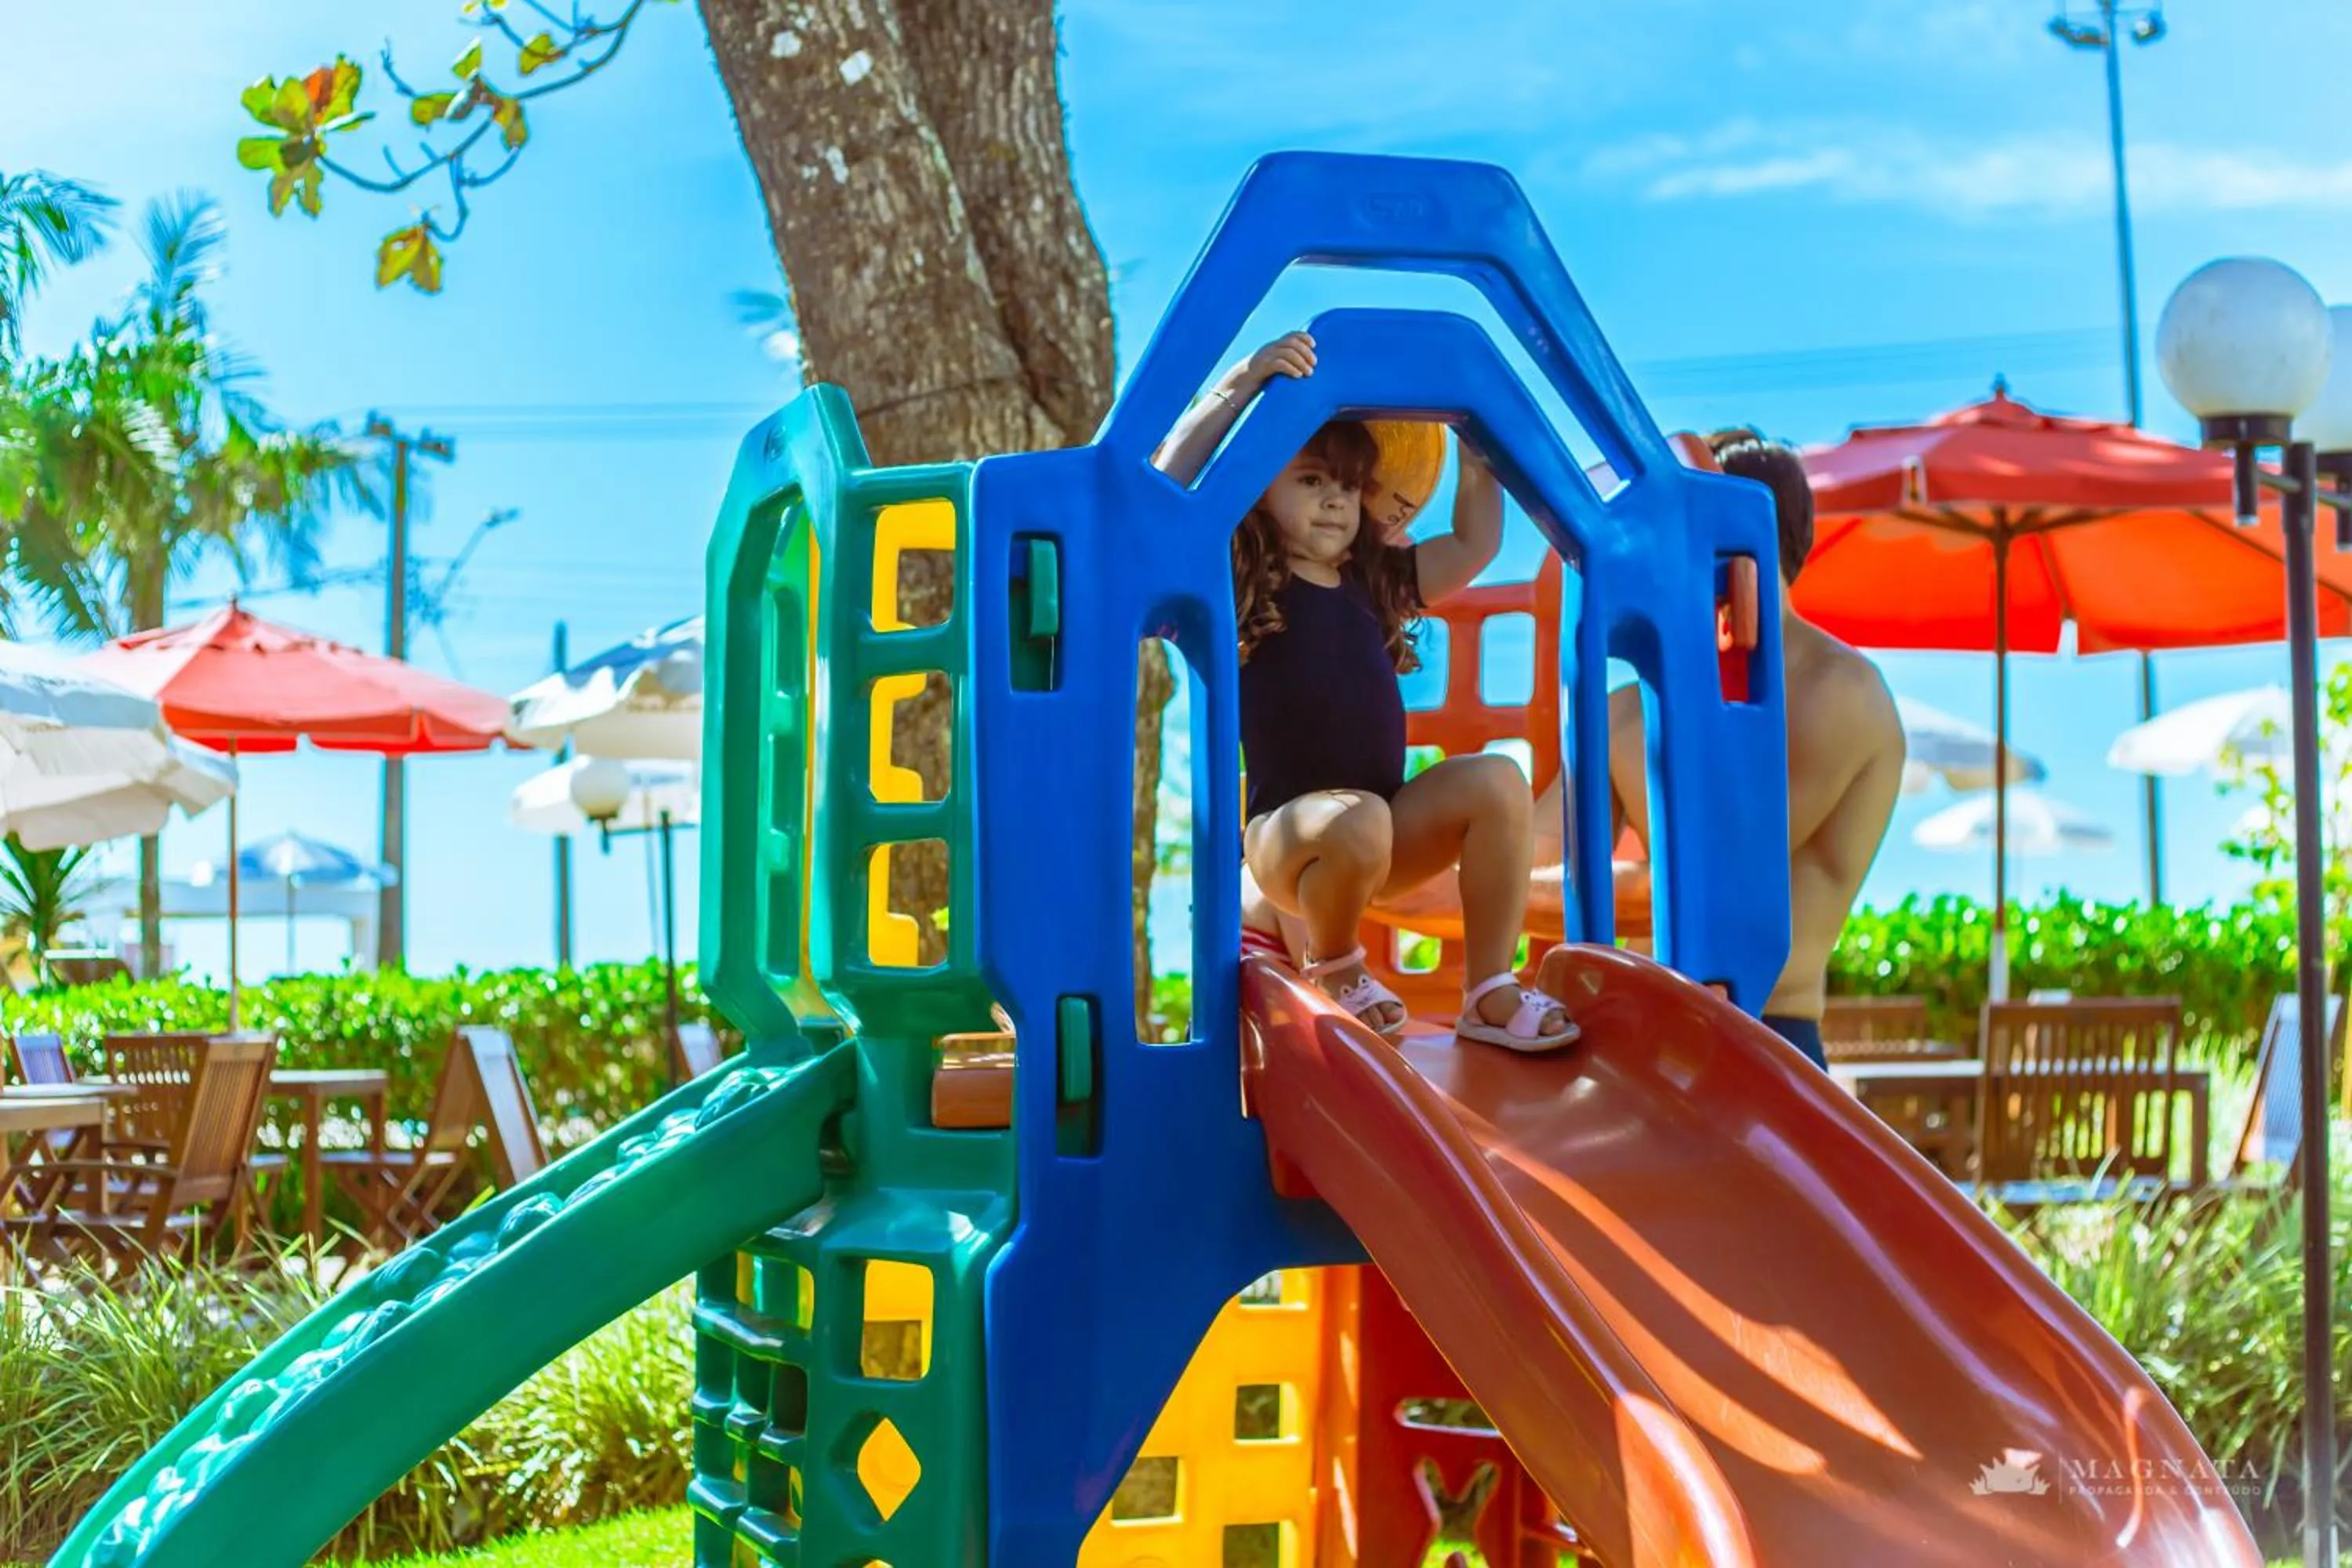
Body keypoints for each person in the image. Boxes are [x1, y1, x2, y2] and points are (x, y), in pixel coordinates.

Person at [1388, 430, 1903, 1068]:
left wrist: (1463, 889)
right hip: (1650, 1035)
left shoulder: (1838, 690)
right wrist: (1406, 877)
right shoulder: (1630, 707)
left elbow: (1726, 883)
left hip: (1771, 1038)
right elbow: (1542, 852)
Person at [1156, 331, 1578, 1053]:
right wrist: (1242, 383)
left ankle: (1488, 990)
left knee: (1497, 782)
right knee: (1358, 822)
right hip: (1288, 842)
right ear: (1260, 486)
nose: (1334, 502)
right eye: (1311, 481)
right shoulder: (1239, 576)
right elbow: (1165, 489)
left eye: (1348, 487)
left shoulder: (1374, 582)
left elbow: (1472, 546)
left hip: (1381, 829)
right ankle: (1336, 967)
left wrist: (1479, 452)